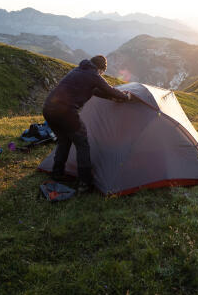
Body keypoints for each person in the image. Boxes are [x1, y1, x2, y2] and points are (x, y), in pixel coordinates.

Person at [42, 55, 131, 193]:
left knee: (64, 141)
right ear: (101, 69)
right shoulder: (94, 75)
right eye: (102, 72)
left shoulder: (78, 70)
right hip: (66, 113)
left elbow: (94, 90)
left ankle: (57, 173)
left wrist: (111, 97)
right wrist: (125, 97)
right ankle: (85, 183)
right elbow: (108, 88)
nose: (102, 74)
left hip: (48, 109)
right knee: (82, 143)